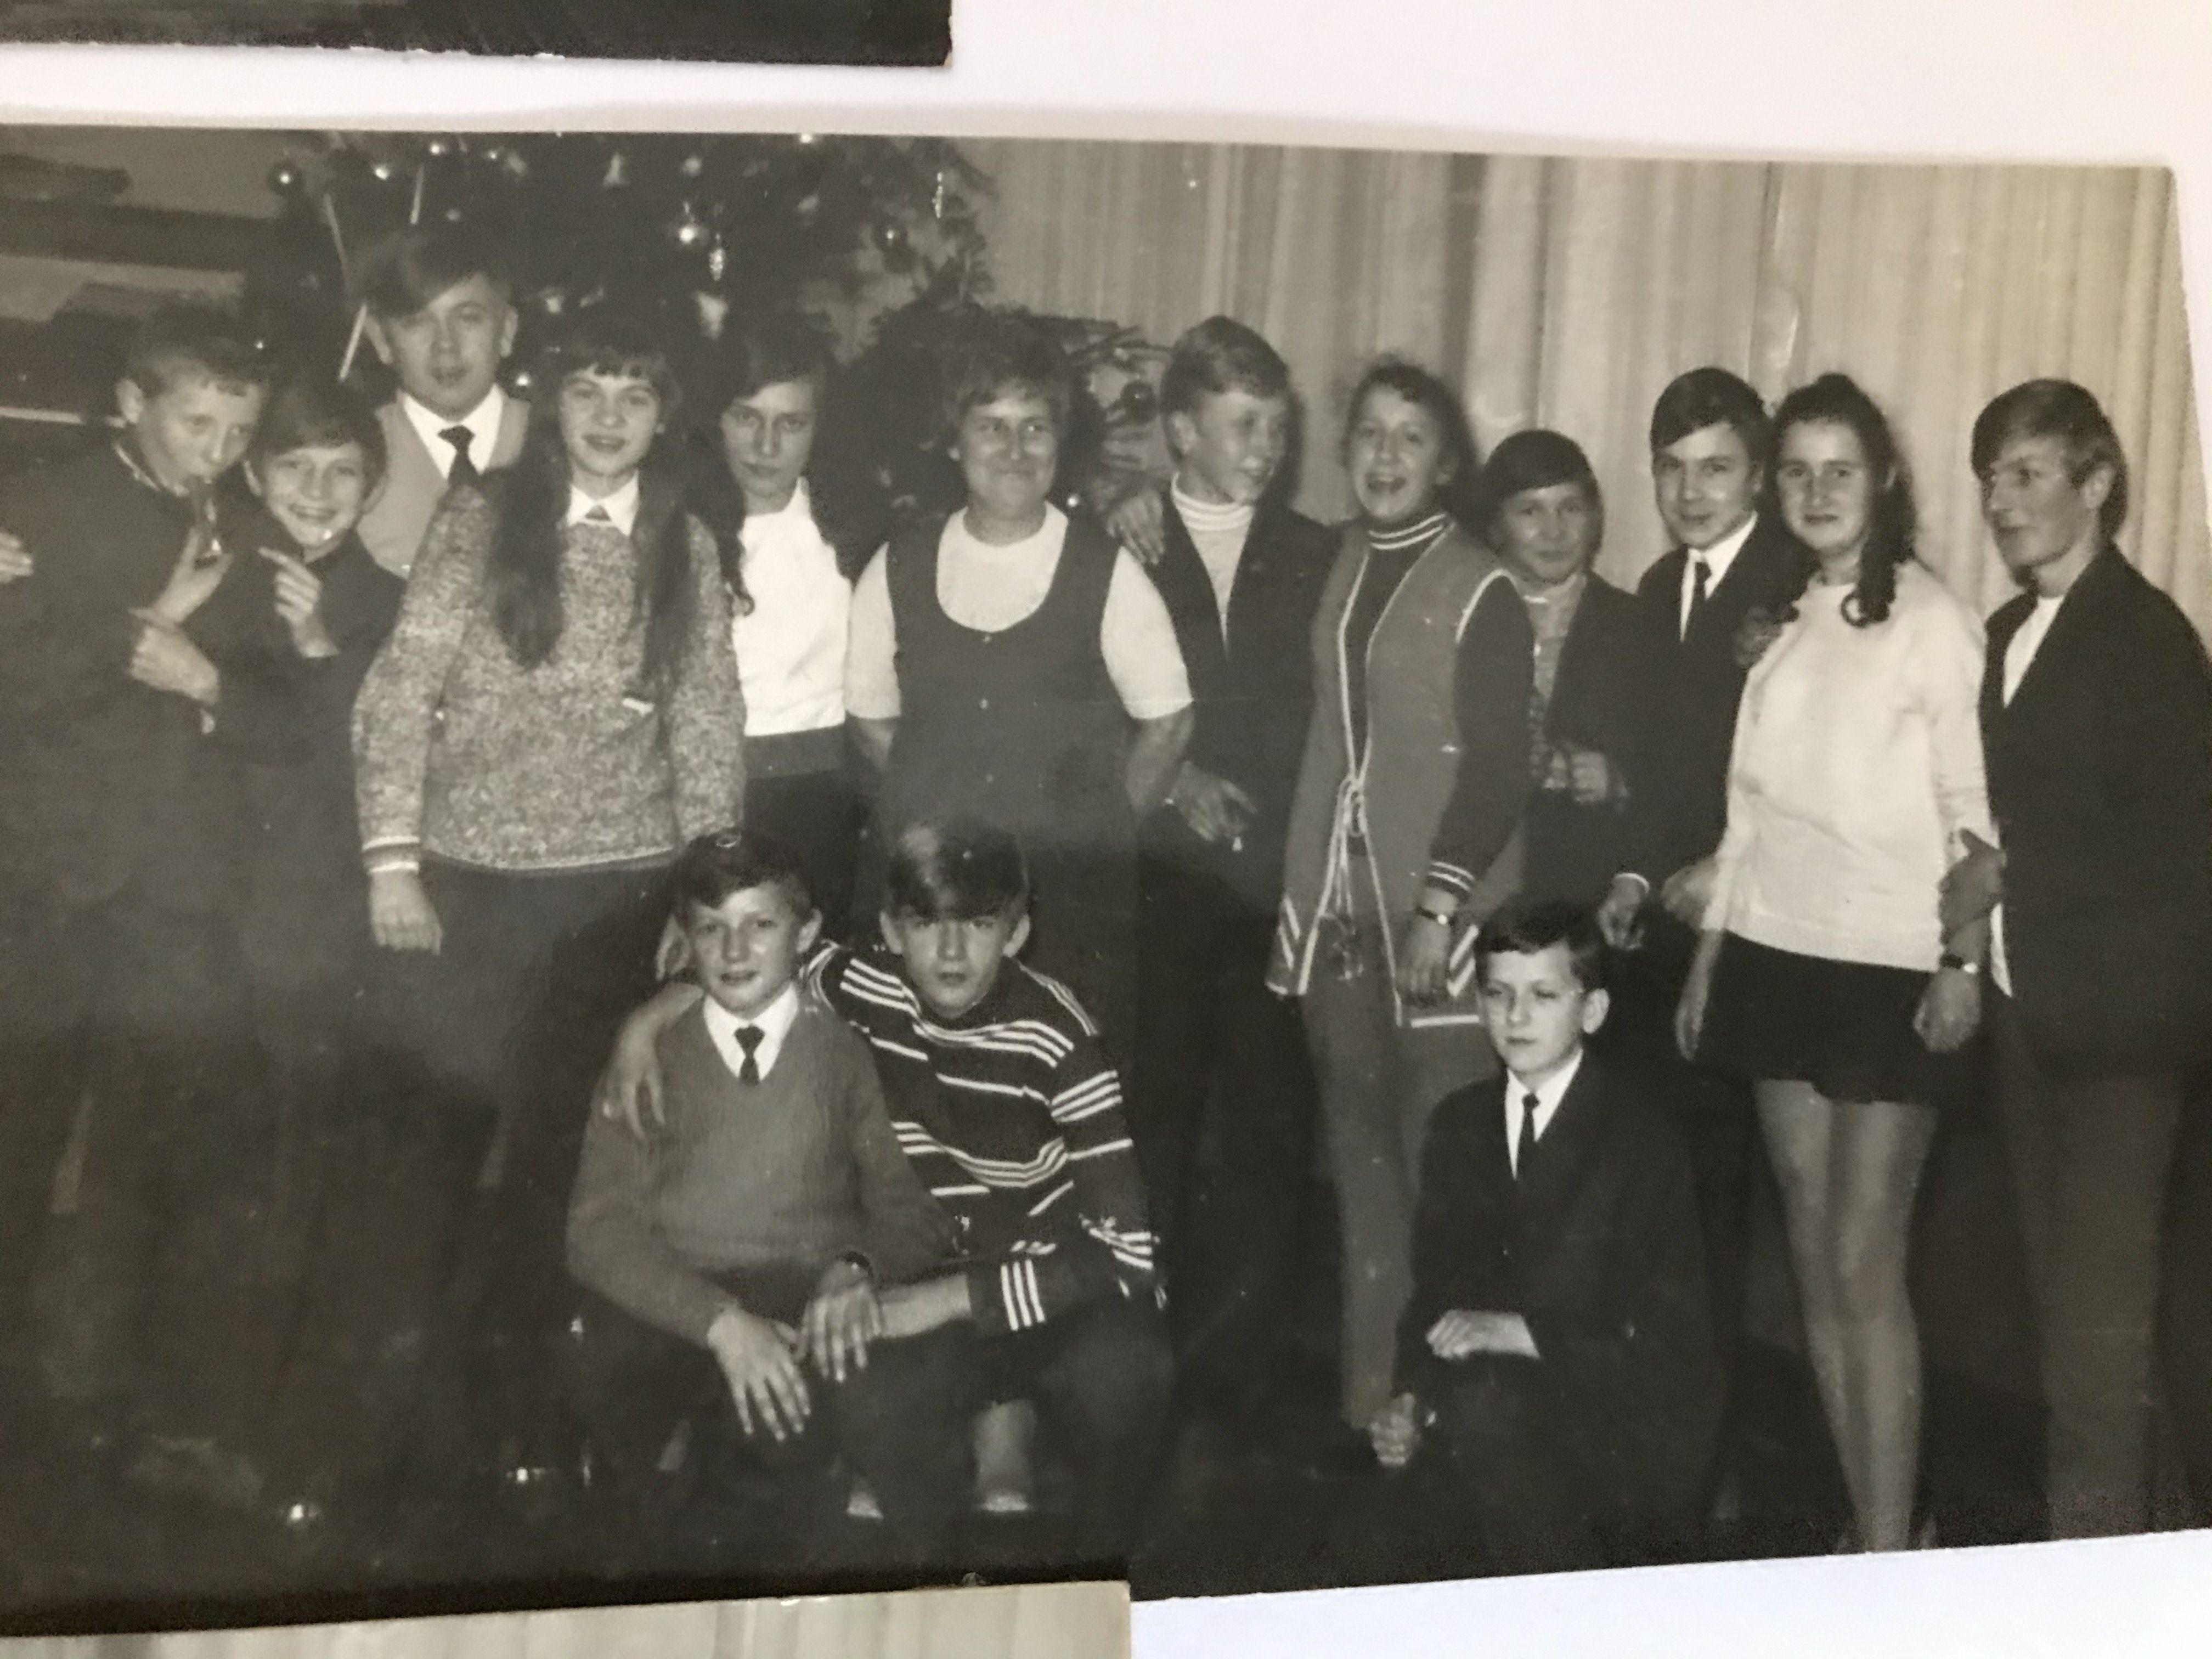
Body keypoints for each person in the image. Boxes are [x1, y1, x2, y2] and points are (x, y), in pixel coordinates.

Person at [334, 307, 744, 1506]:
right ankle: (381, 1436)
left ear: (665, 417)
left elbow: (707, 727)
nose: (609, 417)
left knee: (561, 1173)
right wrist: (393, 862)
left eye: (635, 395)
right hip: (468, 891)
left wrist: (704, 902)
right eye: (587, 392)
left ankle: (525, 1420)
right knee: (428, 1158)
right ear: (551, 405)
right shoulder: (481, 521)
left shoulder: (685, 542)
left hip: (615, 898)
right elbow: (401, 687)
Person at [600, 817, 1172, 1563]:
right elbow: (761, 959)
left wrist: (949, 1298)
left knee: (1130, 1377)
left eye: (979, 925)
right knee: (865, 1389)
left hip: (1050, 1284)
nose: (952, 952)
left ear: (1019, 933)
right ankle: (920, 1546)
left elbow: (1129, 1257)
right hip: (925, 1261)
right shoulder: (867, 984)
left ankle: (1099, 1570)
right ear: (893, 932)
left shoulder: (1062, 1043)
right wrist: (642, 1026)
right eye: (927, 925)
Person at [1675, 372, 1992, 1552]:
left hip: (1891, 969)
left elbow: (1975, 818)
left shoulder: (1935, 622)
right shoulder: (1783, 618)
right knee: (1812, 1267)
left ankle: (1896, 1545)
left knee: (1865, 1263)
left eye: (1839, 471)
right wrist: (1710, 957)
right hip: (1775, 955)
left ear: (1884, 480)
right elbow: (1744, 810)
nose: (1816, 492)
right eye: (1798, 471)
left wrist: (1961, 960)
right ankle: (1873, 1528)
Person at [0, 306, 278, 1465]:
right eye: (195, 422)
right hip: (53, 876)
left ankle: (89, 1385)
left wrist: (210, 681)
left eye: (238, 428)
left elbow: (274, 696)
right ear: (131, 404)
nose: (218, 449)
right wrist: (151, 629)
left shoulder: (252, 518)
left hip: (183, 887)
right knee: (18, 1130)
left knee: (142, 1142)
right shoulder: (39, 508)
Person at [1954, 379, 2212, 1538]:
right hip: (2030, 1028)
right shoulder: (2005, 634)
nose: (1999, 502)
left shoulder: (2150, 640)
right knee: (2079, 1343)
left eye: (2025, 474)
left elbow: (2176, 856)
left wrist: (2007, 874)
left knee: (2096, 1364)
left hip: (2119, 1047)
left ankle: (2092, 1589)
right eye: (1989, 479)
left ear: (2095, 482)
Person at [565, 830, 955, 1567]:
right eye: (712, 928)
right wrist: (718, 1323)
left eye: (761, 924)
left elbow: (912, 1210)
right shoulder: (645, 1058)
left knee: (783, 1486)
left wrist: (856, 1263)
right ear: (685, 940)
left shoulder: (847, 1051)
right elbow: (596, 1231)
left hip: (797, 1297)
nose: (735, 950)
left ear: (806, 934)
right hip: (677, 1297)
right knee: (619, 1441)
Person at [1268, 358, 1534, 1437]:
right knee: (1364, 1184)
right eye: (1370, 433)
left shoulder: (1482, 585)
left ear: (1446, 462)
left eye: (1410, 438)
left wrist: (1438, 908)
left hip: (1439, 932)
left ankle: (1449, 1422)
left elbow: (1501, 768)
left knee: (1443, 1187)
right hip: (1340, 921)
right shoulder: (1333, 560)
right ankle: (1369, 1417)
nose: (1385, 456)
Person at [845, 314, 1194, 1063]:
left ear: (1060, 442)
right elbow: (872, 723)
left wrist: (1090, 832)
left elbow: (1169, 726)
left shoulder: (1107, 572)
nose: (1015, 450)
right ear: (954, 441)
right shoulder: (898, 565)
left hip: (1063, 914)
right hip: (927, 900)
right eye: (991, 427)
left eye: (1035, 427)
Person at [1107, 317, 1336, 1408]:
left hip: (1274, 884)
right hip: (1159, 882)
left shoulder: (1319, 553)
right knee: (1149, 1117)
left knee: (1266, 1127)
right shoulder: (1121, 543)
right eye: (1243, 425)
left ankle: (1237, 1370)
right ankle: (1131, 1356)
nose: (1266, 449)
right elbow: (1078, 697)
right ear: (1181, 430)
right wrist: (1173, 778)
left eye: (1277, 428)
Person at [1590, 366, 1808, 1514]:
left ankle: (1715, 1474)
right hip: (1662, 938)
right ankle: (1658, 1453)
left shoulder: (1797, 583)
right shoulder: (1654, 587)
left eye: (1715, 468)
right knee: (1654, 1204)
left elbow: (1803, 782)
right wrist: (1633, 876)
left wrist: (1718, 874)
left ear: (1759, 476)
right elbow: (1654, 772)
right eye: (1671, 469)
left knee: (1723, 1217)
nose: (1689, 491)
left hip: (1757, 936)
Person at [1369, 900, 1718, 1576]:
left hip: (1618, 1430)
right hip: (1489, 1414)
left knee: (1493, 1422)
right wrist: (1410, 1397)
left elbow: (1669, 1348)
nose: (1517, 1016)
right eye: (1498, 994)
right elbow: (1436, 1290)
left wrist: (1519, 1333)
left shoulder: (1643, 1142)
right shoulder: (1458, 1125)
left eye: (1544, 995)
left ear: (1593, 1011)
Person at [227, 377, 405, 1278]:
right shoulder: (213, 570)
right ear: (255, 474)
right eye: (294, 466)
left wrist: (321, 651)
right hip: (200, 898)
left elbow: (385, 763)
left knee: (293, 1143)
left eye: (342, 471)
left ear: (373, 488)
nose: (317, 490)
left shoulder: (396, 604)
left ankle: (270, 1331)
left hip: (311, 909)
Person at [691, 312, 883, 934]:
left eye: (791, 423)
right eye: (747, 418)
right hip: (704, 796)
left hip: (823, 799)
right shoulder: (681, 531)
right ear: (716, 420)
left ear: (819, 429)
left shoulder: (855, 534)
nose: (766, 446)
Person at [1478, 428, 1665, 910]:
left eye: (1571, 508)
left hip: (1580, 891)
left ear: (1595, 518)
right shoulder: (1461, 612)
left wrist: (1619, 781)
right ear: (1495, 525)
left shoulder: (1638, 626)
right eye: (1530, 511)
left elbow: (1674, 772)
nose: (1554, 531)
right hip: (1470, 881)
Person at [354, 223, 530, 578]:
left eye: (468, 318)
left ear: (507, 330)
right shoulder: (354, 455)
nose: (445, 345)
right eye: (417, 323)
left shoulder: (556, 444)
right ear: (382, 340)